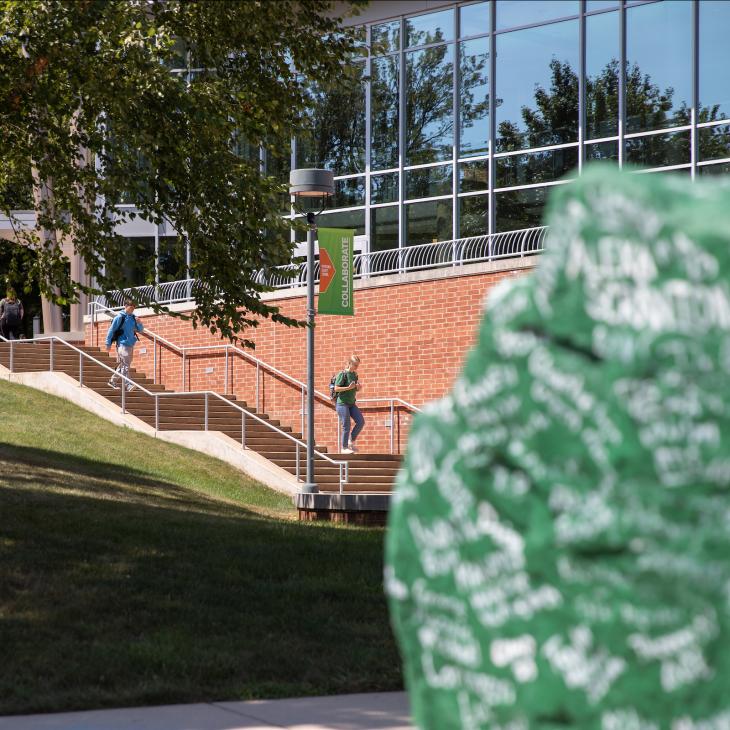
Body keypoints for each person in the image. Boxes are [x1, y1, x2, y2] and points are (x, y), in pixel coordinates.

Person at [105, 299, 144, 391]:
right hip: (122, 344)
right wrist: (108, 343)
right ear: (126, 306)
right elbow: (111, 330)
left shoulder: (133, 318)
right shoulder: (119, 317)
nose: (133, 309)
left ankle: (112, 381)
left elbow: (140, 330)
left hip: (130, 344)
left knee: (124, 365)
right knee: (126, 365)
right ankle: (128, 384)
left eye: (134, 308)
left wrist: (139, 323)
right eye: (131, 307)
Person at [334, 354, 364, 454]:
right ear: (349, 363)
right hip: (342, 403)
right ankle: (344, 447)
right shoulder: (342, 374)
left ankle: (350, 441)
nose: (356, 367)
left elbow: (354, 388)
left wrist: (358, 388)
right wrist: (348, 388)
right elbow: (336, 388)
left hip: (351, 403)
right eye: (355, 365)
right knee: (346, 425)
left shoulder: (355, 375)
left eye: (357, 365)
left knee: (360, 422)